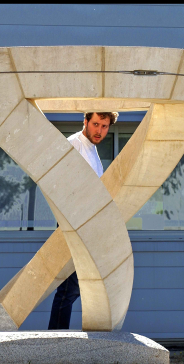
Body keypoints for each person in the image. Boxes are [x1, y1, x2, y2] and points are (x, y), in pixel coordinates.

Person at [48, 111, 118, 330]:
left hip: (87, 224)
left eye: (105, 126)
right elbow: (57, 183)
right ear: (85, 121)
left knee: (75, 287)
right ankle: (56, 340)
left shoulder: (91, 149)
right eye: (96, 124)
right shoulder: (74, 145)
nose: (99, 131)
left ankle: (58, 338)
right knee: (69, 287)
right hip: (73, 222)